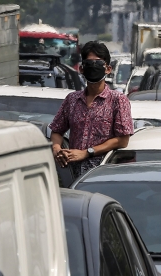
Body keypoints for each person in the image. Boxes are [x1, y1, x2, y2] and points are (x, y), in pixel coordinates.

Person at [49, 41, 134, 178]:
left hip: (103, 176)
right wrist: (57, 149)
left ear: (108, 69)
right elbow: (56, 130)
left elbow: (122, 140)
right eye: (89, 64)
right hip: (72, 176)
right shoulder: (72, 100)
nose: (93, 67)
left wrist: (87, 152)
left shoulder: (118, 100)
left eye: (98, 64)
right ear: (81, 69)